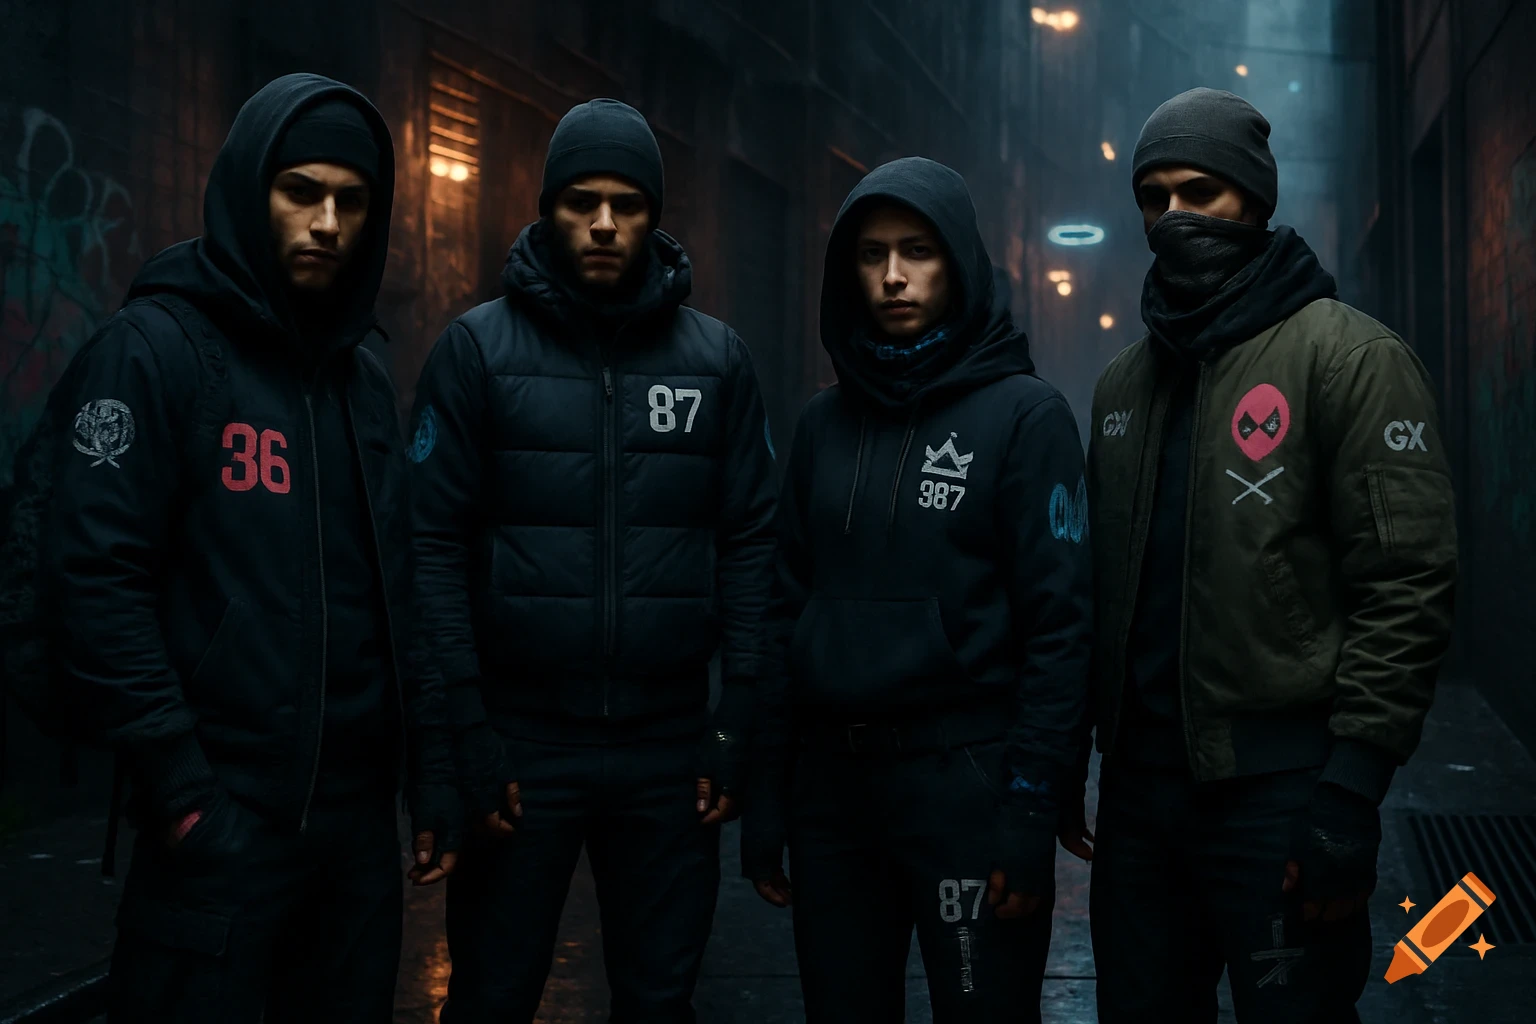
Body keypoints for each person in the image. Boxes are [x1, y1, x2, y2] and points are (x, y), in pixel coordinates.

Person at [36, 74, 458, 1022]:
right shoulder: (157, 351)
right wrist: (183, 791)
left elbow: (400, 588)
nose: (327, 223)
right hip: (219, 824)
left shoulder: (362, 380)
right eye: (300, 192)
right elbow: (93, 580)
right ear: (249, 188)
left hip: (355, 841)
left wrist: (430, 775)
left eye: (352, 201)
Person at [1074, 87, 1458, 1023]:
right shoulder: (1125, 385)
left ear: (1255, 197)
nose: (1174, 216)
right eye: (1155, 196)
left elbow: (1406, 585)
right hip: (1139, 803)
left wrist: (1349, 794)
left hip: (1280, 797)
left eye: (1200, 191)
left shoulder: (1350, 359)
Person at [408, 98, 777, 1022]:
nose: (605, 223)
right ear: (548, 210)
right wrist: (466, 733)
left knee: (659, 1001)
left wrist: (735, 720)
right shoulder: (476, 352)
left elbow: (749, 544)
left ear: (654, 215)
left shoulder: (716, 361)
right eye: (581, 202)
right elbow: (432, 547)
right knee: (492, 996)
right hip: (522, 743)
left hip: (667, 747)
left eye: (627, 203)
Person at [741, 157, 1092, 1023]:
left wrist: (1031, 810)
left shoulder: (1026, 416)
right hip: (834, 794)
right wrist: (767, 793)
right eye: (872, 255)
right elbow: (782, 612)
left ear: (959, 263)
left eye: (918, 252)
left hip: (966, 786)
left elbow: (1061, 631)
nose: (893, 276)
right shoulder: (822, 424)